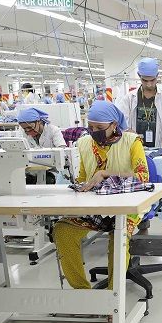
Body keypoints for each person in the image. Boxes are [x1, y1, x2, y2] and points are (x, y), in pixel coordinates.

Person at [53, 101, 149, 291]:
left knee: (118, 236)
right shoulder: (84, 143)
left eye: (99, 127)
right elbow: (82, 176)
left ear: (114, 125)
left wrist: (106, 173)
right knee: (62, 230)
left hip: (127, 208)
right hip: (96, 208)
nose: (93, 131)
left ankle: (112, 297)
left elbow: (143, 176)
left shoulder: (131, 142)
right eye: (90, 127)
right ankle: (83, 293)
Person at [115, 58, 162, 148]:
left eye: (152, 80)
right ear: (139, 75)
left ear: (157, 76)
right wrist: (129, 130)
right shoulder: (129, 98)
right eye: (145, 80)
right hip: (135, 147)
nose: (149, 84)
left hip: (159, 147)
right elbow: (118, 122)